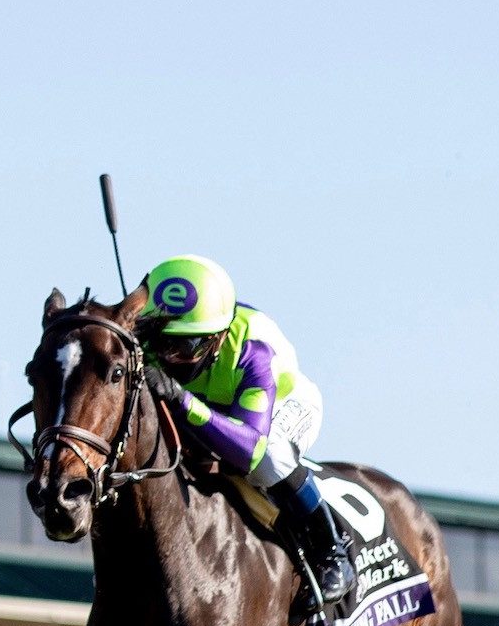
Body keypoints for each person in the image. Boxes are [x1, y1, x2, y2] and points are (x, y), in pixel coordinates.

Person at [136, 255, 355, 604]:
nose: (170, 357)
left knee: (271, 456)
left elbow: (249, 447)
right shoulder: (147, 336)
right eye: (162, 340)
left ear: (219, 338)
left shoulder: (254, 349)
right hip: (211, 406)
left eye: (187, 346)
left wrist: (181, 400)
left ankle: (333, 551)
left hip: (276, 407)